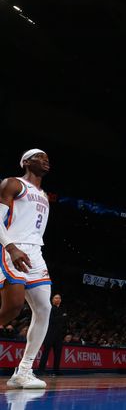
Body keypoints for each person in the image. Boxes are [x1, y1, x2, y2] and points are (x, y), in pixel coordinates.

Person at [0, 149, 54, 389]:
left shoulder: (44, 195)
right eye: (40, 157)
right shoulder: (13, 183)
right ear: (26, 162)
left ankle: (23, 371)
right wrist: (11, 247)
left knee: (44, 308)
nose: (46, 160)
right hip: (12, 246)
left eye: (47, 158)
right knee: (12, 307)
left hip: (35, 253)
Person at [37, 293, 67, 376]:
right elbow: (51, 320)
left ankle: (56, 370)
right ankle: (41, 370)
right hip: (50, 334)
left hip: (59, 335)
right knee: (45, 353)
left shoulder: (62, 309)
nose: (58, 299)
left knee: (58, 354)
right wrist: (62, 317)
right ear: (52, 300)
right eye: (56, 298)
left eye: (59, 298)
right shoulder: (50, 309)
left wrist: (62, 317)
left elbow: (65, 322)